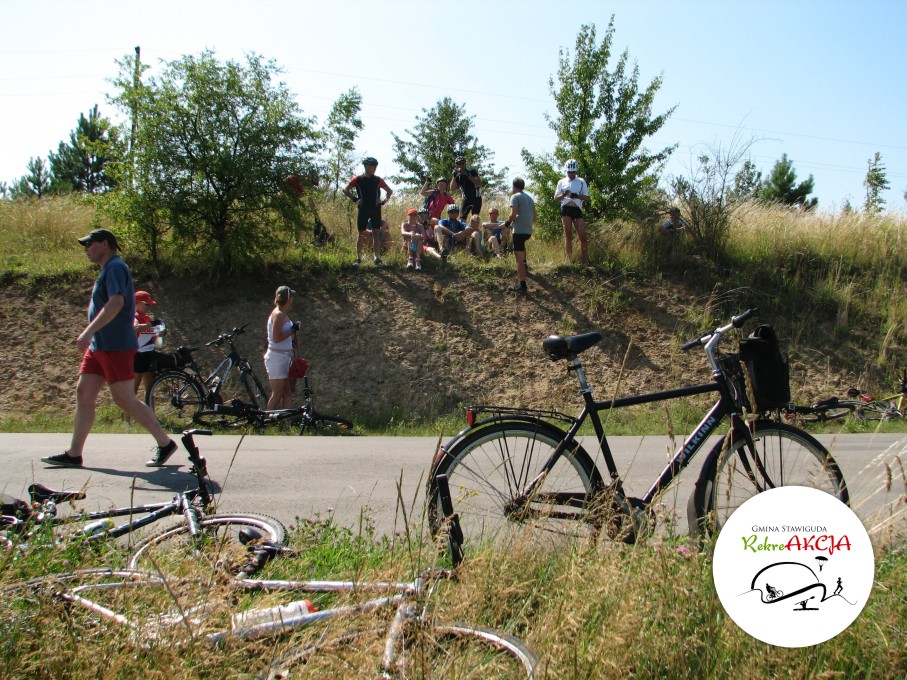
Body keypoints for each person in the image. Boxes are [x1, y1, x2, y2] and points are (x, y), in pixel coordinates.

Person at [41, 229, 179, 469]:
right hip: (100, 345)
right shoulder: (108, 269)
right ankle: (74, 453)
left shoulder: (116, 267)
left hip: (115, 345)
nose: (86, 249)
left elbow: (116, 303)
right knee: (84, 393)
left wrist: (89, 331)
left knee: (124, 398)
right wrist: (93, 335)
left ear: (105, 244)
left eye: (90, 244)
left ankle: (165, 443)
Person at [343, 157, 393, 267]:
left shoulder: (378, 179)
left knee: (376, 233)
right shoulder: (358, 179)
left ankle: (377, 258)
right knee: (361, 233)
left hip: (375, 209)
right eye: (372, 165)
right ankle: (358, 258)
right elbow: (346, 190)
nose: (375, 168)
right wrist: (356, 199)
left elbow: (389, 191)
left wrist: (384, 201)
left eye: (376, 166)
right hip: (363, 208)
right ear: (366, 166)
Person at [264, 285, 300, 410]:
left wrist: (293, 330)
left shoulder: (282, 314)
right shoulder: (278, 315)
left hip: (284, 357)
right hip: (277, 358)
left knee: (287, 392)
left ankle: (286, 418)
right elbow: (276, 338)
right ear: (289, 299)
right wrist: (292, 331)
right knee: (278, 393)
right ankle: (266, 419)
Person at [554, 159, 590, 264]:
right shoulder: (561, 182)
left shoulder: (581, 181)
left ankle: (585, 262)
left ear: (576, 171)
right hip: (566, 208)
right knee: (568, 235)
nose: (571, 174)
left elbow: (586, 197)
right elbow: (556, 198)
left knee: (583, 236)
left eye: (573, 172)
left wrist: (576, 196)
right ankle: (569, 262)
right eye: (569, 172)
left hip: (577, 208)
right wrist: (564, 194)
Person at [506, 178, 536, 294]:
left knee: (518, 260)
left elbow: (513, 214)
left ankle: (523, 286)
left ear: (514, 186)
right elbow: (534, 217)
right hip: (528, 230)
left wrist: (508, 222)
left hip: (518, 231)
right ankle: (525, 266)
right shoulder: (530, 198)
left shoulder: (515, 197)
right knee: (522, 248)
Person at [132, 290, 165, 396]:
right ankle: (127, 408)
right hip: (137, 356)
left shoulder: (147, 318)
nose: (148, 307)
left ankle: (150, 407)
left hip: (149, 356)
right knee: (132, 391)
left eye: (149, 305)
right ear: (137, 303)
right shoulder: (134, 316)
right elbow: (134, 328)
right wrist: (152, 324)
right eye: (146, 304)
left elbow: (157, 344)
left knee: (150, 391)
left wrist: (161, 335)